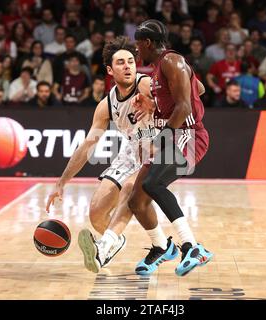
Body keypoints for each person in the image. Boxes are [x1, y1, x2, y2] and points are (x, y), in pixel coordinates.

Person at [46, 37, 156, 273]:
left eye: (131, 61)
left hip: (160, 148)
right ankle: (116, 241)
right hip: (132, 151)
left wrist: (154, 105)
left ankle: (104, 247)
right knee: (96, 212)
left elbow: (178, 100)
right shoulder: (106, 105)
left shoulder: (146, 84)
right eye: (121, 63)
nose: (127, 66)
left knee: (129, 187)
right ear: (109, 70)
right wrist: (61, 182)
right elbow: (87, 147)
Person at [125, 19, 214, 276]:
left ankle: (192, 247)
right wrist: (157, 103)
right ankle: (162, 246)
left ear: (148, 42)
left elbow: (185, 107)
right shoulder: (161, 68)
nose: (136, 51)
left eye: (138, 45)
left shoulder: (171, 61)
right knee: (137, 200)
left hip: (188, 134)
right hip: (173, 133)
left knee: (153, 185)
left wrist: (161, 136)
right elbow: (200, 87)